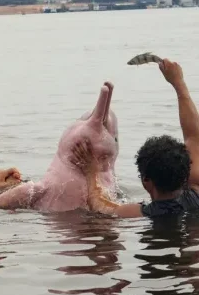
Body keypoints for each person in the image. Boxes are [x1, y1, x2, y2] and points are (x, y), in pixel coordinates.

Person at [70, 58, 199, 218]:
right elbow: (193, 135)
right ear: (187, 172)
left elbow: (100, 205)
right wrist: (179, 84)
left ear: (146, 181)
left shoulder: (142, 214)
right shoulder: (196, 193)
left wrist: (91, 171)